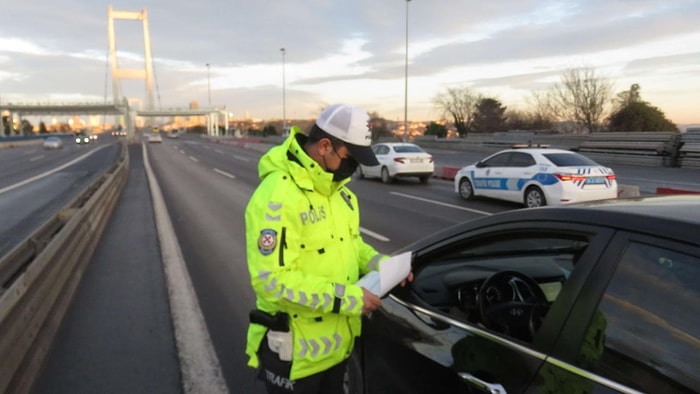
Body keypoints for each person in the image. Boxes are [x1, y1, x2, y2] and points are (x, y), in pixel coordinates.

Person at [244, 104, 406, 393]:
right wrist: (350, 300)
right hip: (295, 357)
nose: (353, 167)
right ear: (325, 146)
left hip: (336, 349)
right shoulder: (278, 197)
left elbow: (351, 245)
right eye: (350, 157)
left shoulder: (340, 194)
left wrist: (384, 265)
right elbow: (271, 281)